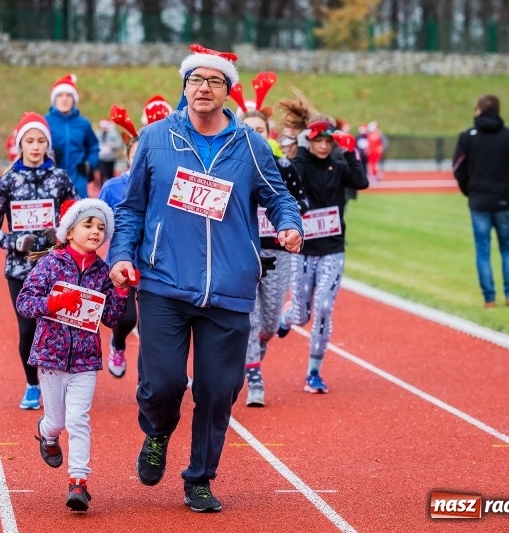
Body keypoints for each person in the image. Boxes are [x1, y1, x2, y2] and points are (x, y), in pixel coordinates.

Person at [108, 44, 304, 513]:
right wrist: (120, 255)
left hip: (230, 289)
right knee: (164, 383)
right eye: (196, 80)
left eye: (214, 81)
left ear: (227, 91)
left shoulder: (250, 145)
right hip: (163, 282)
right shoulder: (157, 138)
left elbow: (278, 197)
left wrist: (290, 224)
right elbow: (131, 207)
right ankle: (157, 430)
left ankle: (199, 477)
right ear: (184, 87)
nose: (204, 88)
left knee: (218, 390)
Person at [16, 198, 128, 512]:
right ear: (69, 231)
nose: (95, 231)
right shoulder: (51, 264)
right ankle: (46, 433)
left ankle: (78, 482)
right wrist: (52, 304)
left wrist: (120, 291)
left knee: (78, 419)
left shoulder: (103, 271)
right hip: (50, 357)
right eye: (88, 224)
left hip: (85, 360)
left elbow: (112, 319)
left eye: (101, 227)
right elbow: (25, 302)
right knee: (57, 421)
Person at [0, 112, 78, 409]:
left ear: (48, 144)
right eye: (30, 141)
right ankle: (33, 384)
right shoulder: (7, 181)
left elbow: (76, 216)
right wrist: (15, 241)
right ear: (20, 144)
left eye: (41, 141)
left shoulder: (60, 178)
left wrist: (59, 233)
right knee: (28, 329)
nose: (35, 146)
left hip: (56, 267)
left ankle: (61, 382)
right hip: (20, 270)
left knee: (60, 327)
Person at [276, 96, 369, 394]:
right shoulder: (301, 164)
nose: (324, 146)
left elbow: (361, 182)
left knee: (325, 307)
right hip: (304, 250)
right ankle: (287, 316)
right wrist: (301, 146)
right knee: (302, 315)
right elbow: (291, 174)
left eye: (329, 141)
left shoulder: (339, 166)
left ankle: (313, 372)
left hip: (333, 247)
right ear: (310, 141)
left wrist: (351, 151)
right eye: (319, 141)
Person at [240, 109, 310, 407]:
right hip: (243, 251)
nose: (254, 134)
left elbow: (301, 203)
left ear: (268, 133)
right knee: (250, 319)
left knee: (268, 323)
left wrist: (283, 220)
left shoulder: (282, 166)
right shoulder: (233, 165)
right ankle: (255, 378)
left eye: (260, 129)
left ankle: (259, 347)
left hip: (277, 252)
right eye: (249, 129)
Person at [98, 99, 171, 378]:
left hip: (157, 261)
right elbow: (99, 222)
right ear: (130, 156)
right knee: (127, 317)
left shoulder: (163, 184)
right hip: (124, 262)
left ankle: (156, 372)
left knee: (156, 322)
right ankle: (117, 344)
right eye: (136, 153)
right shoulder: (113, 186)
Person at [452, 94, 509, 308]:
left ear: (479, 110)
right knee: (507, 247)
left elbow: (458, 168)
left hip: (479, 200)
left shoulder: (468, 136)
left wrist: (468, 190)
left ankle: (489, 299)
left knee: (483, 249)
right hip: (503, 199)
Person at [45, 74, 100, 199]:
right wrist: (49, 156)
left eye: (68, 95)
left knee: (79, 217)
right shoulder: (45, 122)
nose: (64, 99)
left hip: (78, 181)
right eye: (60, 95)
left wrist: (89, 164)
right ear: (55, 99)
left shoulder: (83, 123)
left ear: (74, 99)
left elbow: (93, 146)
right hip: (51, 181)